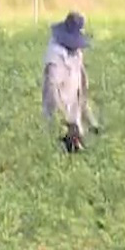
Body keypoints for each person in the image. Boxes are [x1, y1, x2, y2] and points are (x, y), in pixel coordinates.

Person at [42, 11, 100, 153]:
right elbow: (51, 92)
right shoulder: (55, 58)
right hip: (59, 125)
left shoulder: (76, 53)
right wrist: (64, 124)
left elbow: (81, 93)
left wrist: (91, 121)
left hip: (74, 119)